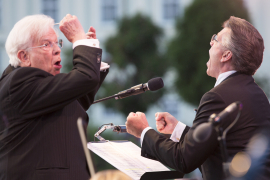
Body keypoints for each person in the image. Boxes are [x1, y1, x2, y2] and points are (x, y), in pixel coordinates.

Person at [125, 16, 270, 180]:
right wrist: (178, 129)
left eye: (215, 39)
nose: (210, 42)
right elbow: (215, 148)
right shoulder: (258, 94)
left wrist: (144, 131)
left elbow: (184, 159)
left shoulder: (217, 97)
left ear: (226, 55)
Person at [0, 14, 109, 180]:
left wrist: (90, 57)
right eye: (46, 44)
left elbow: (78, 101)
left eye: (57, 42)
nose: (57, 49)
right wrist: (81, 42)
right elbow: (84, 78)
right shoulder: (18, 82)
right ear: (24, 57)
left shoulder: (39, 89)